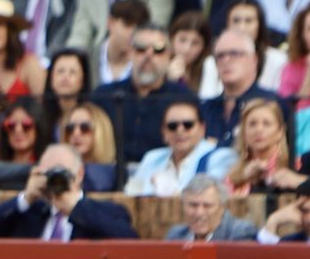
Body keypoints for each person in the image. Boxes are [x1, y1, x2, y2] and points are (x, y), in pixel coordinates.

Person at [0, 143, 138, 239]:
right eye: (49, 173)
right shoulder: (29, 213)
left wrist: (75, 208)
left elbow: (131, 241)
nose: (55, 180)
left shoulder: (104, 212)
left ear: (79, 174)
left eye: (61, 172)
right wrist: (26, 198)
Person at [96, 23, 192, 164]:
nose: (149, 55)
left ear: (169, 55)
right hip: (108, 178)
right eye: (141, 49)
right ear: (130, 53)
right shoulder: (104, 95)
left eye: (158, 50)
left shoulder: (184, 99)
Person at [124, 100, 235, 197]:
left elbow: (208, 197)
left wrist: (167, 189)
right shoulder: (151, 158)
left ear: (202, 128)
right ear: (163, 131)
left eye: (188, 125)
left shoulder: (221, 157)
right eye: (172, 126)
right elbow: (133, 194)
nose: (180, 131)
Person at [223, 97, 293, 197]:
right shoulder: (233, 176)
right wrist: (246, 179)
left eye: (266, 124)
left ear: (280, 132)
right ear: (244, 132)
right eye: (252, 124)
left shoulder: (294, 165)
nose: (259, 129)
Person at [164, 174, 259, 241]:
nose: (199, 213)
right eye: (193, 205)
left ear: (222, 207)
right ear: (183, 206)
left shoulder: (241, 233)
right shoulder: (176, 235)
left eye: (207, 206)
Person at [57, 101, 121, 191]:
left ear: (100, 132)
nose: (76, 133)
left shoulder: (117, 172)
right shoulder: (56, 170)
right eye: (70, 128)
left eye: (85, 128)